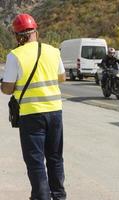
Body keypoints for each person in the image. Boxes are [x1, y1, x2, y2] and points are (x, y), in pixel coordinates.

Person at [0, 13, 67, 200]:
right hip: (55, 113)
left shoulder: (15, 55)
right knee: (55, 157)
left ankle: (41, 197)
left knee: (35, 161)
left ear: (18, 36)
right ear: (35, 31)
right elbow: (62, 77)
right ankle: (59, 196)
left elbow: (7, 89)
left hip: (32, 116)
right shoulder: (53, 51)